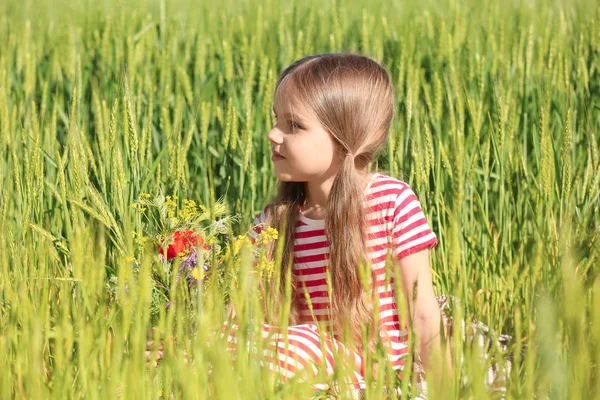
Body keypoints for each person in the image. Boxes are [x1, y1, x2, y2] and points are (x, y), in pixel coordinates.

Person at [147, 53, 453, 397]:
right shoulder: (276, 220)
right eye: (277, 120)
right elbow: (238, 310)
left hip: (369, 375)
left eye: (294, 125)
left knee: (297, 344)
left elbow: (424, 314)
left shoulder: (391, 202)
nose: (272, 133)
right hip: (298, 360)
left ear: (343, 137)